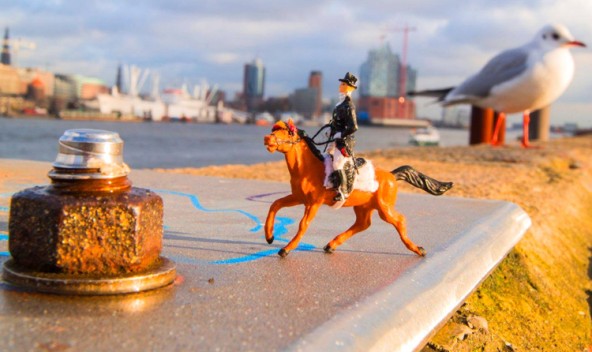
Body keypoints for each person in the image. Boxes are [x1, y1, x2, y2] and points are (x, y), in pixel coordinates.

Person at [328, 72, 359, 202]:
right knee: (325, 158)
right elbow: (336, 122)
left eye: (343, 84)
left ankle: (344, 191)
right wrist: (330, 130)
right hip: (334, 139)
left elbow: (353, 127)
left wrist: (340, 134)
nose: (340, 86)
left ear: (349, 88)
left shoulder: (349, 106)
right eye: (341, 84)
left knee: (338, 163)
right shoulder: (339, 104)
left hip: (345, 142)